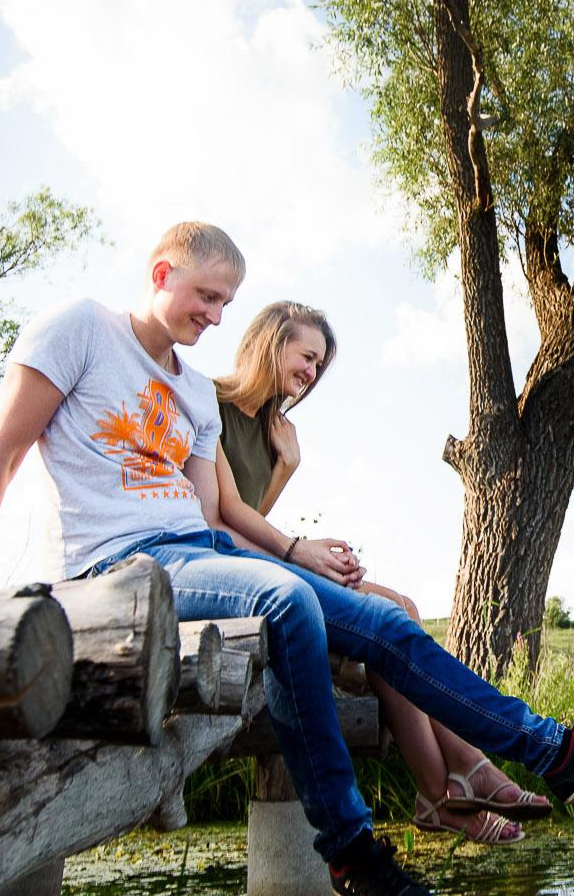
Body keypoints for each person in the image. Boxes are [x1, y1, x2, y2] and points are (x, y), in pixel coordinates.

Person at [0, 221, 574, 896]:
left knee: (380, 620)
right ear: (163, 273)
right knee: (285, 598)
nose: (216, 315)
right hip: (117, 569)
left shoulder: (191, 393)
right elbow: (0, 452)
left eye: (226, 302)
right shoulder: (81, 329)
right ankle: (352, 850)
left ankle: (557, 751)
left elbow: (210, 514)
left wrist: (280, 526)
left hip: (195, 553)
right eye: (207, 296)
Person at [212, 300, 546, 846]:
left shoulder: (278, 430)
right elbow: (226, 518)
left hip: (265, 557)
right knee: (387, 617)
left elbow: (256, 513)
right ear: (272, 342)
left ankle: (450, 779)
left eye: (320, 366)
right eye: (307, 356)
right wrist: (301, 552)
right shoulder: (209, 403)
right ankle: (452, 781)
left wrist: (286, 469)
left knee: (404, 607)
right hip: (234, 569)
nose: (311, 374)